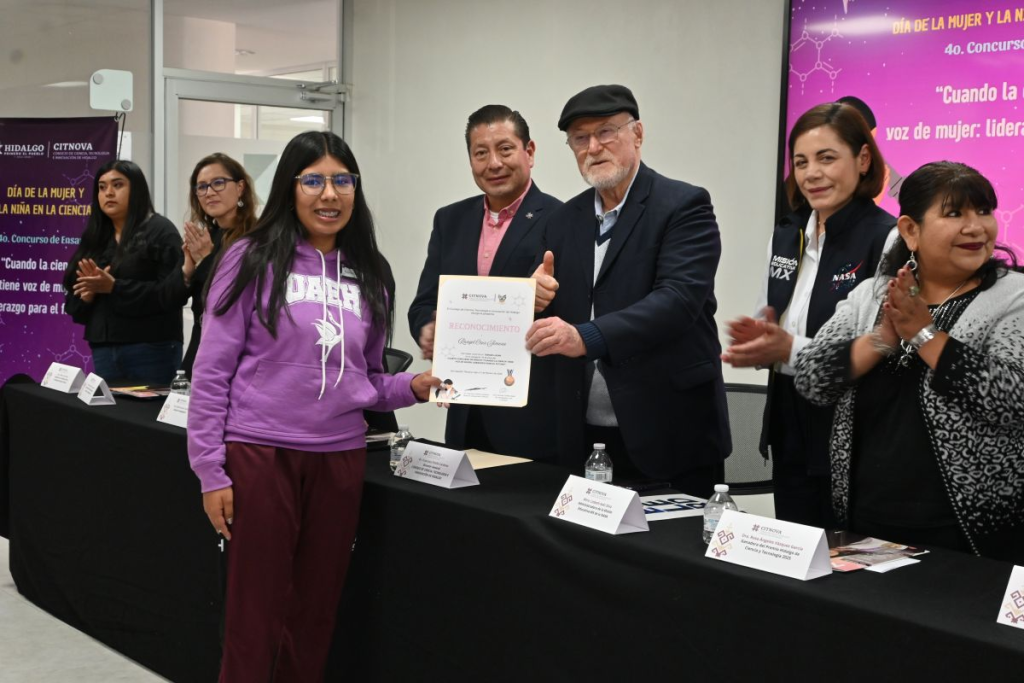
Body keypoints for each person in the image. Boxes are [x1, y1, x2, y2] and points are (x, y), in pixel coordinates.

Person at [186, 130, 440, 681]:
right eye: (315, 181)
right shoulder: (249, 258)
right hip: (260, 454)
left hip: (339, 460)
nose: (330, 194)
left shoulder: (371, 270)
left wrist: (414, 389)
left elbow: (368, 381)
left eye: (343, 181)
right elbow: (210, 372)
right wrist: (210, 470)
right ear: (290, 188)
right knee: (255, 614)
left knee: (316, 611)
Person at [794, 161, 1024, 561]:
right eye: (955, 214)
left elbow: (1013, 398)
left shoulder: (1014, 296)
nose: (976, 227)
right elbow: (812, 379)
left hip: (973, 533)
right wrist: (881, 340)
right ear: (910, 231)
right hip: (866, 522)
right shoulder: (872, 295)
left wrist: (925, 336)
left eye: (983, 211)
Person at [525, 84, 730, 497]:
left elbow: (677, 301)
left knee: (668, 558)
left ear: (637, 134)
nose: (593, 147)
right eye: (580, 139)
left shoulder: (683, 205)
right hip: (582, 431)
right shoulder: (563, 220)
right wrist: (531, 300)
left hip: (669, 429)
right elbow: (554, 315)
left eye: (606, 132)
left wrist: (587, 337)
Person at [721, 102, 896, 527]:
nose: (811, 173)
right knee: (794, 543)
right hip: (787, 410)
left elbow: (883, 344)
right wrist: (764, 338)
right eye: (801, 162)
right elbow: (778, 314)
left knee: (845, 549)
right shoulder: (788, 232)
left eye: (826, 158)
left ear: (863, 159)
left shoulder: (887, 237)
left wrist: (791, 347)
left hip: (850, 418)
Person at [409, 104, 562, 459]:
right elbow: (424, 302)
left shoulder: (562, 219)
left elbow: (575, 315)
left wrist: (538, 300)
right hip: (463, 411)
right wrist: (428, 327)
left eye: (505, 149)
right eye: (481, 153)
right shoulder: (450, 220)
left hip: (532, 417)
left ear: (530, 152)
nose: (493, 163)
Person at [63, 159, 183, 384]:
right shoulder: (95, 238)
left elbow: (173, 293)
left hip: (152, 349)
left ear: (136, 190)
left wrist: (114, 287)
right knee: (108, 418)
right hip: (103, 350)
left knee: (145, 419)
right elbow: (73, 303)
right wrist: (86, 297)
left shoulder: (161, 231)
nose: (108, 193)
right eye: (102, 187)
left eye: (117, 185)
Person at [163, 153, 258, 377]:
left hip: (239, 354)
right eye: (202, 187)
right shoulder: (204, 238)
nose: (209, 192)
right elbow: (168, 301)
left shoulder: (258, 239)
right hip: (200, 347)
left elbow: (230, 299)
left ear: (240, 187)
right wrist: (188, 268)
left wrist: (205, 261)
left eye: (218, 183)